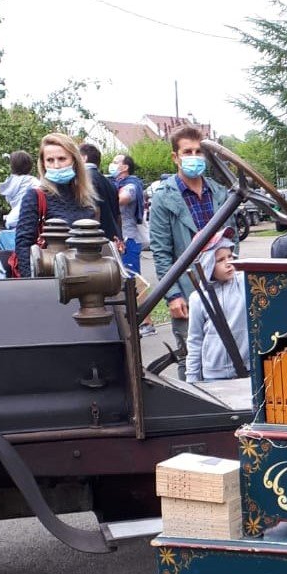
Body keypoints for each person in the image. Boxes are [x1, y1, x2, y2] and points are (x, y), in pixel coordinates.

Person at [149, 125, 229, 378]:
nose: (194, 157)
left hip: (222, 288)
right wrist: (172, 295)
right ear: (176, 157)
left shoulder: (219, 193)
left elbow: (232, 239)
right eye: (187, 152)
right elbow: (162, 252)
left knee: (229, 352)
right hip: (187, 288)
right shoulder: (164, 198)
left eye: (198, 151)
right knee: (191, 357)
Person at [15, 134, 97, 277]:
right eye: (50, 160)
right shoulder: (35, 196)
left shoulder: (86, 197)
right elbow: (23, 245)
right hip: (48, 277)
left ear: (74, 161)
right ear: (43, 164)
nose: (56, 166)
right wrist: (31, 282)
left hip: (85, 277)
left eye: (62, 159)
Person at [185, 241, 250, 383]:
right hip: (214, 374)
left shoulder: (246, 284)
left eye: (230, 256)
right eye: (220, 260)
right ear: (207, 264)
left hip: (248, 368)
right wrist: (192, 378)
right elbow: (195, 340)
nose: (228, 263)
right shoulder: (198, 298)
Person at [109, 152, 155, 332]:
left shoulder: (131, 185)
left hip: (129, 240)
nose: (112, 164)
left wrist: (105, 193)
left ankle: (146, 322)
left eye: (115, 162)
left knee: (134, 282)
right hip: (122, 239)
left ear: (125, 167)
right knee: (125, 282)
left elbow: (122, 199)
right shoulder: (116, 183)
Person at [79, 143, 123, 248]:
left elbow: (94, 211)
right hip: (111, 237)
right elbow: (118, 215)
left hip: (95, 241)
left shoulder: (84, 180)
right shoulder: (109, 182)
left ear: (84, 158)